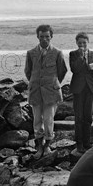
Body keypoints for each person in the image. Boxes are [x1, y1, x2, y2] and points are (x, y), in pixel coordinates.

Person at [25, 24, 68, 158]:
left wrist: (53, 83)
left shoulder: (57, 53)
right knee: (37, 120)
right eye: (42, 36)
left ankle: (47, 145)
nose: (44, 39)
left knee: (49, 120)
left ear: (51, 37)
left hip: (51, 91)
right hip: (36, 91)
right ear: (37, 37)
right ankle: (39, 146)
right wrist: (35, 82)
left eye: (47, 37)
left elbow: (62, 71)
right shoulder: (31, 53)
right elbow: (28, 72)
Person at [69, 32, 93, 153]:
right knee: (79, 117)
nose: (82, 45)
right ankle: (79, 144)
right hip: (78, 88)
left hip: (91, 88)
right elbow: (74, 69)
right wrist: (81, 57)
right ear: (77, 43)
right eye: (80, 43)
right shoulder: (73, 54)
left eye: (84, 43)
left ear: (88, 42)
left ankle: (87, 143)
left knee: (88, 116)